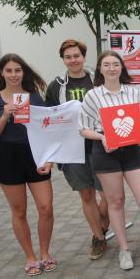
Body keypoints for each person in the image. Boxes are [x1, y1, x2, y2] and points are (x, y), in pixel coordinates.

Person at [79, 51, 140, 270]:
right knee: (116, 202)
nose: (111, 68)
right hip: (105, 151)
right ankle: (124, 249)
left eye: (115, 64)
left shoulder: (133, 92)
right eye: (107, 64)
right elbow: (83, 128)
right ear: (100, 69)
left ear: (121, 68)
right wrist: (102, 137)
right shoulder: (92, 95)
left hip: (131, 151)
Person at [0, 54, 56, 276]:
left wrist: (49, 159)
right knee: (19, 211)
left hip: (35, 154)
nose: (14, 75)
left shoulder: (34, 97)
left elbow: (46, 130)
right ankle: (30, 257)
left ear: (24, 72)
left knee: (46, 207)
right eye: (9, 70)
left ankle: (45, 253)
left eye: (18, 70)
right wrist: (5, 115)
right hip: (8, 155)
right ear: (2, 73)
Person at [45, 39, 110, 260]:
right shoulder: (56, 86)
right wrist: (50, 154)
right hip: (72, 149)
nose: (73, 60)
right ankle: (98, 238)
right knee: (86, 194)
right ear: (63, 60)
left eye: (76, 55)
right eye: (68, 57)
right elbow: (50, 120)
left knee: (109, 194)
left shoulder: (98, 79)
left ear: (83, 57)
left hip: (100, 145)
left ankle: (103, 224)